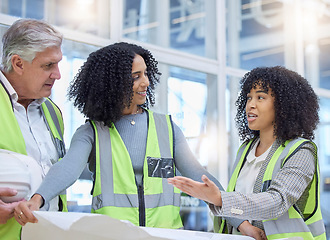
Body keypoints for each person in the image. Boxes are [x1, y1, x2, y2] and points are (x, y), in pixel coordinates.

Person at [15, 42, 264, 238]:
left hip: (164, 237)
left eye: (146, 74)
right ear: (112, 82)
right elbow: (68, 168)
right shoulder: (92, 131)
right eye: (136, 76)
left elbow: (201, 178)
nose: (145, 82)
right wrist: (37, 199)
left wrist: (241, 222)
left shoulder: (166, 128)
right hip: (111, 238)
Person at [168, 66, 327, 239]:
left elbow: (277, 202)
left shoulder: (301, 151)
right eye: (249, 97)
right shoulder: (245, 150)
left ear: (283, 105)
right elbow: (240, 205)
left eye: (260, 97)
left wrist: (221, 199)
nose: (250, 105)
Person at [0, 19, 67, 239]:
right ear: (18, 63)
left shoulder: (53, 113)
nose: (57, 74)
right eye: (48, 65)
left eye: (58, 64)